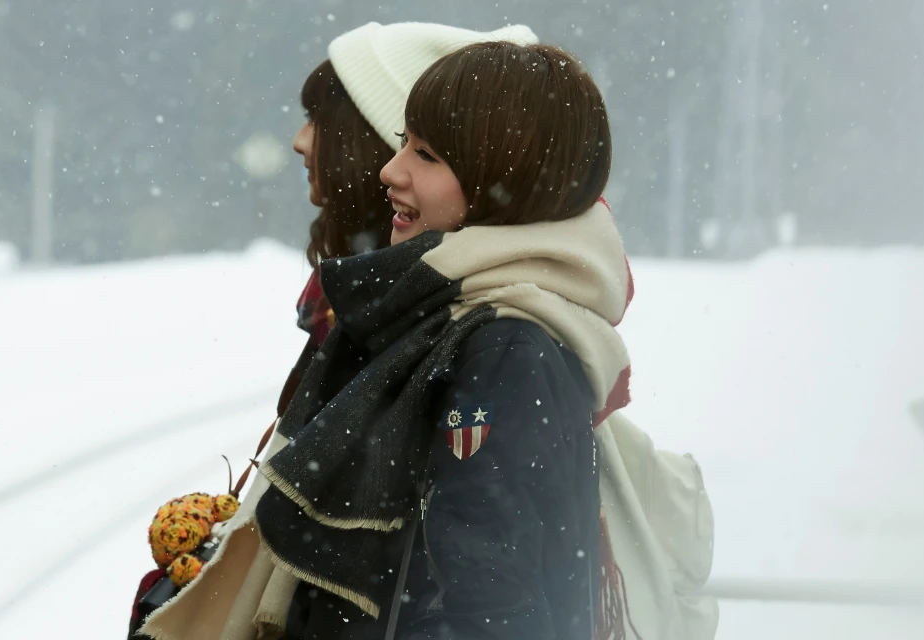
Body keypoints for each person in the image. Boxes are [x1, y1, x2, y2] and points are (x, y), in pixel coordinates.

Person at [137, 32, 636, 640]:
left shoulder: (503, 348)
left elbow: (488, 601)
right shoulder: (436, 315)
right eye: (405, 144)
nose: (390, 170)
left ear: (501, 182)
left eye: (426, 155)